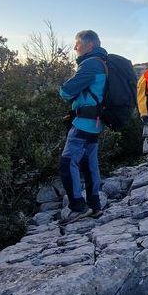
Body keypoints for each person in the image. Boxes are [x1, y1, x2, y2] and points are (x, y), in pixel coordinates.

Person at [58, 30, 108, 223]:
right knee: (89, 163)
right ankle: (95, 205)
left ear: (89, 45)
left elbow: (66, 91)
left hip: (83, 122)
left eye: (77, 44)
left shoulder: (90, 64)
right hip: (95, 122)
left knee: (67, 162)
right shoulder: (102, 63)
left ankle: (78, 207)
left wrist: (65, 90)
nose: (75, 48)